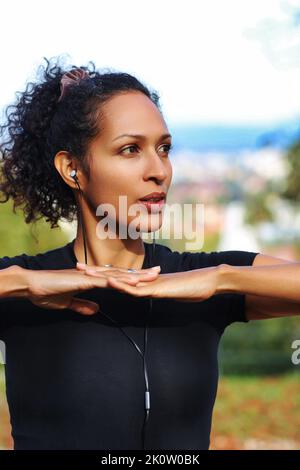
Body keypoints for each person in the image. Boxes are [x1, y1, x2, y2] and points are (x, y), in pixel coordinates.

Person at [0, 56, 299, 451]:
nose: (159, 170)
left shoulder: (199, 280)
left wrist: (221, 278)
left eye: (164, 148)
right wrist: (21, 283)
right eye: (130, 150)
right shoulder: (24, 292)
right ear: (73, 168)